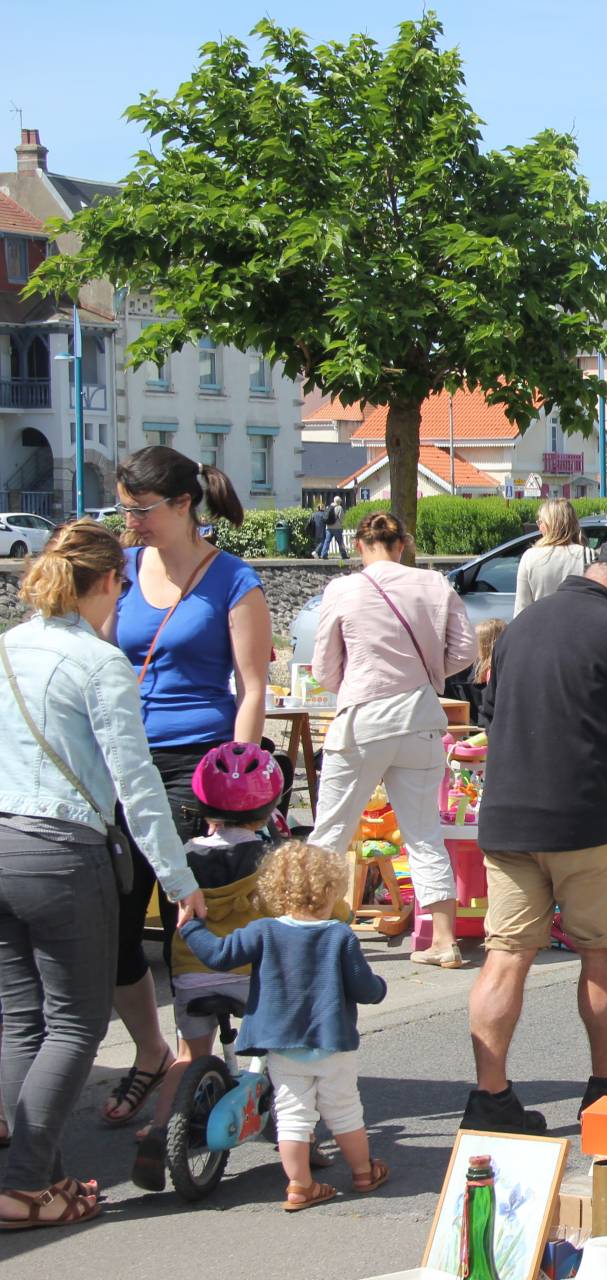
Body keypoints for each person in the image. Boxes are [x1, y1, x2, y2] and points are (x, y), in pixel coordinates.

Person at [0, 520, 205, 1230]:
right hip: (61, 852)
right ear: (109, 583)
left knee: (21, 1022)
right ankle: (24, 1184)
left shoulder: (6, 649)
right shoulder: (100, 661)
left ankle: (41, 1180)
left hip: (0, 842)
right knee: (75, 1025)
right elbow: (137, 784)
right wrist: (180, 879)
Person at [466, 537, 607, 1132]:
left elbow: (489, 721)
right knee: (604, 956)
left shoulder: (517, 627)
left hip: (508, 820)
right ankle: (605, 1087)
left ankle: (489, 1098)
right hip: (589, 821)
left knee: (505, 956)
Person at [103, 444, 268, 1129]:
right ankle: (152, 1053)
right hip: (119, 759)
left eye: (142, 510)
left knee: (186, 914)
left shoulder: (233, 579)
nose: (132, 522)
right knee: (114, 918)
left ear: (182, 506)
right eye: (125, 509)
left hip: (197, 763)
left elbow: (252, 686)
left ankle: (195, 1069)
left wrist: (241, 778)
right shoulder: (122, 569)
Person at [180, 839, 390, 1211]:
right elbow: (364, 987)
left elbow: (218, 955)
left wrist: (192, 928)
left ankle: (299, 1185)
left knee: (292, 1115)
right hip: (331, 1043)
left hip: (282, 1046)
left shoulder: (263, 930)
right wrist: (378, 990)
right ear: (330, 891)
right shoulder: (338, 935)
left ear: (276, 890)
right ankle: (362, 1172)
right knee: (343, 1110)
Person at [307, 511, 477, 967]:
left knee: (331, 831)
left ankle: (310, 934)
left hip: (362, 716)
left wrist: (352, 684)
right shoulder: (435, 585)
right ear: (403, 544)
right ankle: (443, 940)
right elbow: (466, 651)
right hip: (420, 716)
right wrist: (427, 676)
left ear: (360, 546)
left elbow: (323, 666)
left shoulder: (343, 589)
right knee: (424, 835)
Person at [131, 741, 287, 1190]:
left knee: (188, 1055)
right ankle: (299, 1132)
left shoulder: (183, 857)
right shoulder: (271, 858)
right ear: (270, 809)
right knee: (280, 1051)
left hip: (192, 970)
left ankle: (160, 1132)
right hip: (250, 974)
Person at [514, 497, 592, 615]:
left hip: (541, 629)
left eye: (540, 522)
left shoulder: (529, 557)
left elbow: (521, 609)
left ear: (549, 524)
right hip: (578, 628)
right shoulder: (588, 555)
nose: (539, 527)